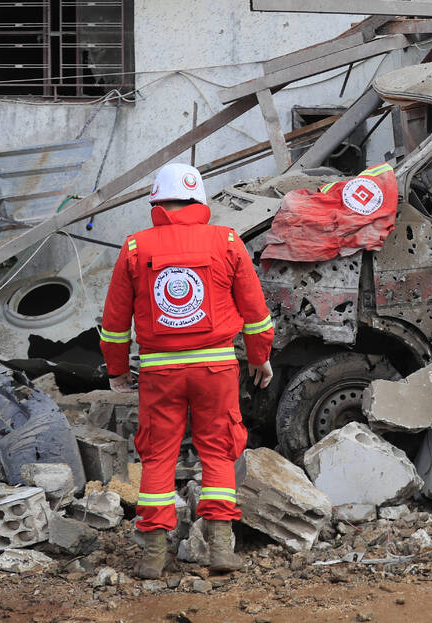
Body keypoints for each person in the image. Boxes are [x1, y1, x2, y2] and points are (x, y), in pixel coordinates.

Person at [97, 162, 275, 579]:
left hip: (160, 373)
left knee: (158, 455)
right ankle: (219, 549)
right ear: (201, 200)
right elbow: (255, 311)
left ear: (156, 201)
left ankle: (153, 557)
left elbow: (115, 320)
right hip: (215, 368)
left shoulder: (135, 247)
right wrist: (259, 355)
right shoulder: (226, 241)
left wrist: (117, 370)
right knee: (218, 449)